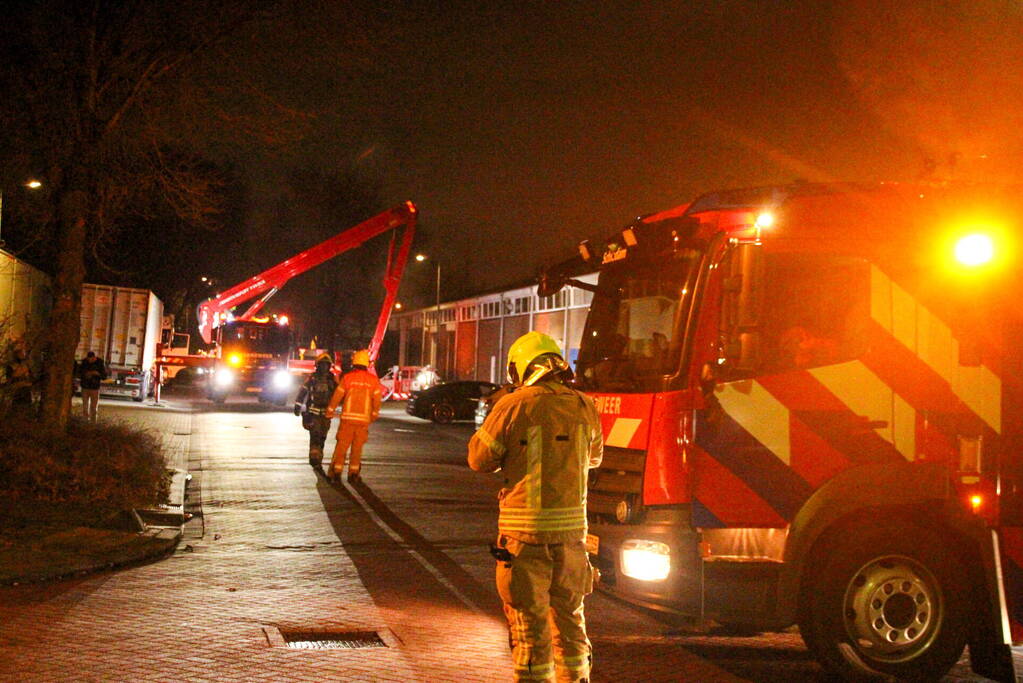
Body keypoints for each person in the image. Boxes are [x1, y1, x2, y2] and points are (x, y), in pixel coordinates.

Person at [468, 331, 603, 683]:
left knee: (530, 627)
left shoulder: (513, 405)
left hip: (524, 537)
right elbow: (595, 458)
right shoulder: (583, 405)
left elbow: (479, 459)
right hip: (573, 537)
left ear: (521, 368)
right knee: (571, 619)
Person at [325, 349, 381, 483]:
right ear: (366, 364)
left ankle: (337, 472)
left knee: (342, 447)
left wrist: (330, 411)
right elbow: (377, 401)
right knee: (357, 449)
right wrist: (373, 415)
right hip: (363, 421)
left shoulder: (348, 378)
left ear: (354, 363)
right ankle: (353, 474)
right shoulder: (373, 381)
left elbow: (337, 396)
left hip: (347, 420)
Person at [293, 352, 338, 467]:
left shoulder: (332, 380)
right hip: (313, 413)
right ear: (317, 366)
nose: (324, 367)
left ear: (329, 366)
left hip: (326, 415)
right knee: (315, 436)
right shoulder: (312, 379)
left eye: (326, 365)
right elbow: (303, 392)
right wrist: (298, 406)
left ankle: (319, 455)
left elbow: (338, 394)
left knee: (322, 437)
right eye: (322, 365)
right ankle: (314, 459)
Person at [3, 340, 34, 414]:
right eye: (20, 352)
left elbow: (31, 379)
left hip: (26, 392)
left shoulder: (26, 366)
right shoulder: (11, 367)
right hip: (17, 392)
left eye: (22, 352)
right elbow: (10, 381)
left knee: (26, 410)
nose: (22, 354)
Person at [77, 350, 107, 422]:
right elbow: (79, 373)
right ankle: (85, 421)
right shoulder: (84, 362)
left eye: (91, 359)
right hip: (85, 387)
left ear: (94, 358)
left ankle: (93, 422)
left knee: (94, 408)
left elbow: (104, 376)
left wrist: (97, 373)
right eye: (88, 359)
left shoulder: (100, 363)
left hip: (95, 388)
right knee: (85, 407)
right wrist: (85, 374)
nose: (90, 361)